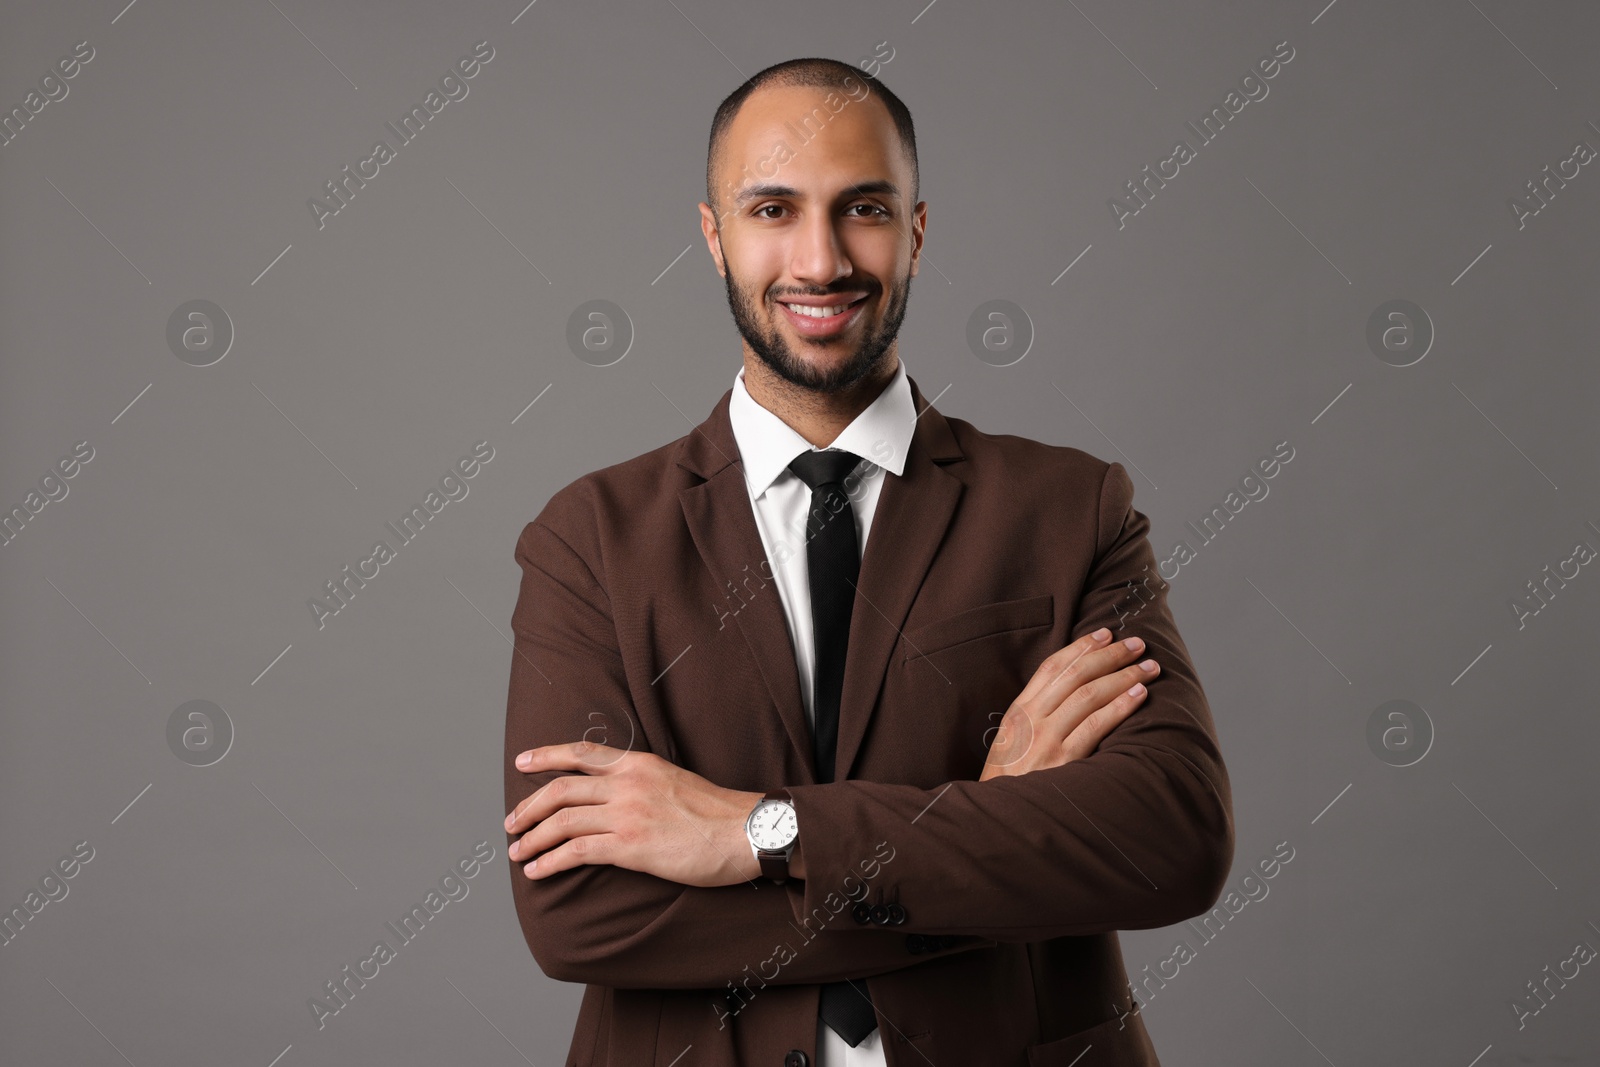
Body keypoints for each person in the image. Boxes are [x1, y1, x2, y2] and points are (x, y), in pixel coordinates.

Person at [503, 57, 1233, 1067]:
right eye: (771, 208)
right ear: (713, 237)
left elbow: (1171, 840)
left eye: (863, 208)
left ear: (917, 233)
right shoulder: (588, 539)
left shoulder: (1071, 507)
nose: (820, 258)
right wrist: (989, 824)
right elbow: (579, 916)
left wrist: (757, 833)